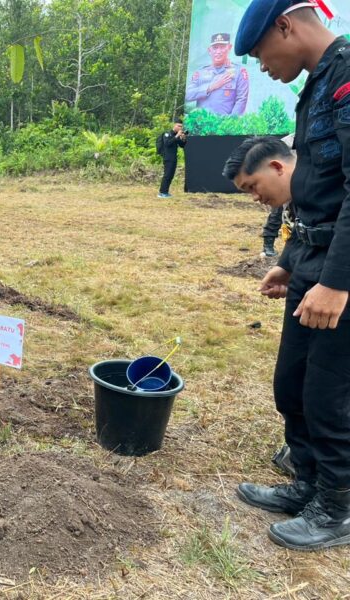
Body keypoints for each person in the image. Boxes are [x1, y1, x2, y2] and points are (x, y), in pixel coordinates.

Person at [228, 0, 350, 551]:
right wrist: (291, 262)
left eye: (259, 54)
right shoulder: (316, 85)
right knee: (293, 382)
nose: (261, 66)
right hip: (311, 260)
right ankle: (306, 483)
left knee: (329, 393)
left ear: (285, 26)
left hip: (339, 273)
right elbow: (318, 195)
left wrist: (337, 281)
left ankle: (337, 506)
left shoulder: (346, 75)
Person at [186, 33, 250, 116]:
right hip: (201, 125)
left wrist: (229, 123)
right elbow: (188, 95)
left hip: (224, 125)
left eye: (222, 47)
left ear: (229, 47)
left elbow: (242, 99)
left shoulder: (239, 72)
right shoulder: (200, 73)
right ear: (209, 50)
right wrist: (210, 87)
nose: (218, 52)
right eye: (215, 48)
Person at [157, 118, 187, 198]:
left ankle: (165, 192)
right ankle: (162, 192)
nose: (180, 128)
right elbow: (167, 143)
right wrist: (177, 136)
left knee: (171, 175)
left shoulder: (176, 135)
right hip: (168, 158)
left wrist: (183, 138)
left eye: (181, 126)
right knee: (167, 175)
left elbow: (182, 145)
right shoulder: (167, 134)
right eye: (179, 126)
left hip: (173, 158)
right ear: (174, 125)